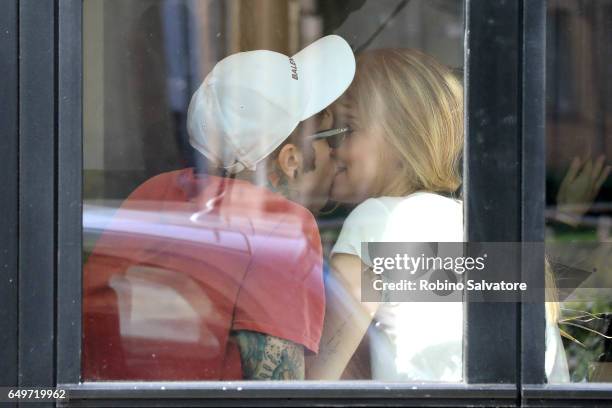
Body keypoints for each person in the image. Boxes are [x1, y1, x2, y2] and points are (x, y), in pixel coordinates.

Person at [82, 35, 355, 381]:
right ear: (290, 160)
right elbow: (280, 396)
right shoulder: (281, 226)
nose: (337, 152)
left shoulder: (153, 191)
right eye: (330, 137)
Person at [306, 48, 569, 382]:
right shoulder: (476, 227)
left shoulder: (379, 221)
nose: (332, 146)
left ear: (398, 140)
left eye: (348, 128)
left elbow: (316, 383)